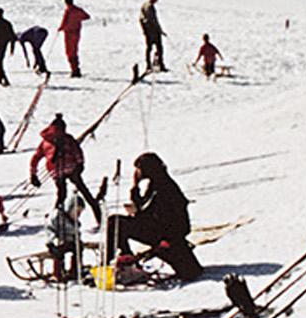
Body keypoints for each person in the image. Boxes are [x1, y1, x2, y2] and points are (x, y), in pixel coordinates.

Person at [106, 152, 201, 280]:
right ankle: (125, 261)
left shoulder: (163, 188)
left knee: (115, 223)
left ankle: (113, 263)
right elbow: (145, 208)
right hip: (161, 231)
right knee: (116, 223)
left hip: (168, 236)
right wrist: (135, 189)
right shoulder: (158, 182)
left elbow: (151, 214)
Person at [30, 113, 102, 216]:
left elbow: (35, 158)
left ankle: (57, 216)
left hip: (55, 171)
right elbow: (77, 152)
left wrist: (33, 174)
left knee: (61, 194)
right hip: (72, 168)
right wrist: (80, 164)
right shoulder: (67, 139)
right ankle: (97, 213)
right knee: (84, 191)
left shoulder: (45, 142)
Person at [60, 0, 91, 77]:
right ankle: (76, 69)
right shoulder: (78, 10)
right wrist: (78, 20)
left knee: (69, 52)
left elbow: (64, 22)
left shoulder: (68, 11)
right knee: (74, 50)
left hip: (69, 33)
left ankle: (74, 70)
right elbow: (87, 16)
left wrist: (61, 28)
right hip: (77, 33)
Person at [140, 0, 166, 72]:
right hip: (152, 32)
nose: (157, 0)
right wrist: (159, 30)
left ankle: (151, 65)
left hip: (150, 31)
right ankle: (153, 65)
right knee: (157, 48)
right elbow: (153, 20)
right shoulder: (149, 7)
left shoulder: (145, 5)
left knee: (151, 48)